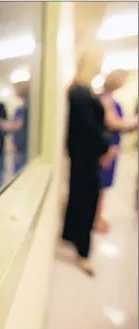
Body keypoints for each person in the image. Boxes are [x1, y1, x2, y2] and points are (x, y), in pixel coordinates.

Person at [62, 45, 112, 276]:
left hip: (83, 155)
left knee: (78, 198)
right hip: (86, 156)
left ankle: (72, 238)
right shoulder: (82, 93)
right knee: (86, 201)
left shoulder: (81, 92)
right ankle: (83, 251)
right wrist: (105, 146)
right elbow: (87, 129)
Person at [95, 69, 138, 233]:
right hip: (107, 149)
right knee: (101, 185)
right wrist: (133, 122)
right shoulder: (105, 99)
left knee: (104, 186)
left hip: (112, 148)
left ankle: (98, 216)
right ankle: (96, 218)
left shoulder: (110, 99)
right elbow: (112, 123)